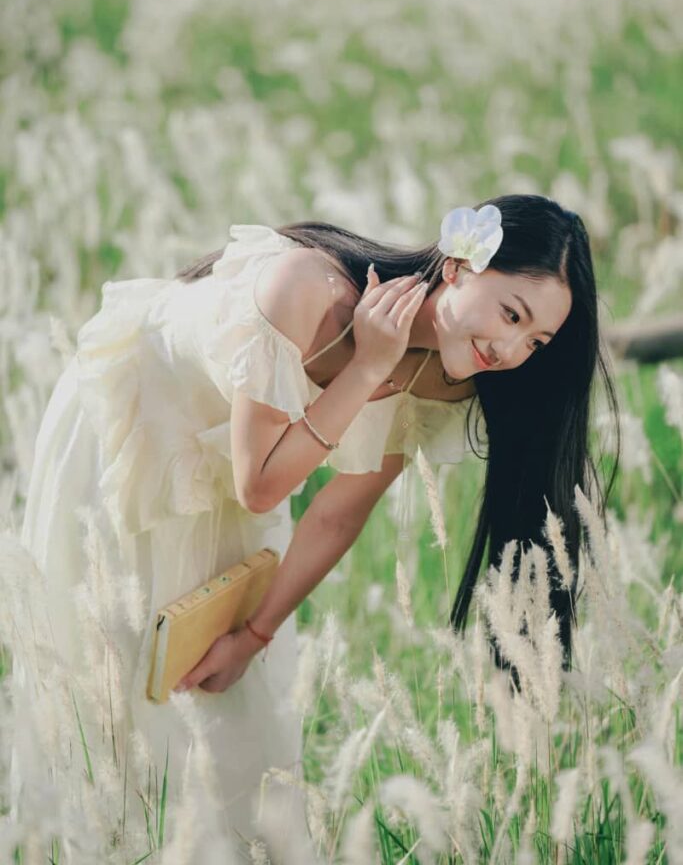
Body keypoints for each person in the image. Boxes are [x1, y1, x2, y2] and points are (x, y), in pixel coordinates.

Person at [11, 193, 620, 850]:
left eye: (535, 340)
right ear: (457, 267)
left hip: (232, 484)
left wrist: (255, 633)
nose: (509, 347)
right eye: (510, 312)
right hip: (125, 447)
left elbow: (338, 511)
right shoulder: (302, 290)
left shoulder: (452, 374)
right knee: (110, 701)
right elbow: (262, 484)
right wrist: (366, 368)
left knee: (238, 731)